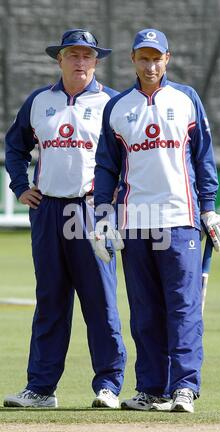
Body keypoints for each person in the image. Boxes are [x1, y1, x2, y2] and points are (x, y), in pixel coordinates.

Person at [91, 28, 220, 413]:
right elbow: (106, 166)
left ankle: (184, 387)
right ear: (133, 60)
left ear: (167, 59)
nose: (150, 65)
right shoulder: (117, 107)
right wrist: (104, 213)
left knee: (182, 306)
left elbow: (202, 155)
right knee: (145, 309)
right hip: (135, 221)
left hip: (180, 217)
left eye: (157, 58)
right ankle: (151, 387)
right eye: (143, 58)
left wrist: (208, 207)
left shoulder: (186, 99)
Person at [4, 28, 126, 409]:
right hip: (48, 211)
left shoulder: (113, 103)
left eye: (87, 55)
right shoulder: (40, 101)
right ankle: (41, 389)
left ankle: (108, 385)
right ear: (59, 59)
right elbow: (14, 145)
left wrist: (116, 202)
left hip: (91, 209)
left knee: (100, 303)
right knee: (51, 301)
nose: (80, 62)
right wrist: (20, 186)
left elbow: (131, 156)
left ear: (96, 61)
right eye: (72, 55)